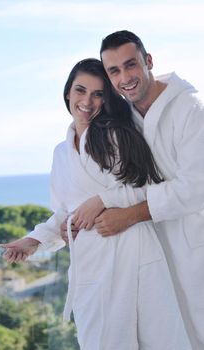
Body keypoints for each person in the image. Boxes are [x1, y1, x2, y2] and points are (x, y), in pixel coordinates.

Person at [1, 58, 191, 349]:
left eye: (98, 93)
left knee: (157, 338)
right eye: (80, 90)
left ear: (107, 99)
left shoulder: (116, 137)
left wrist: (102, 200)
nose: (87, 101)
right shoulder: (61, 153)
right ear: (68, 93)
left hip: (133, 252)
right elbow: (66, 211)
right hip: (90, 263)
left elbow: (147, 187)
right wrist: (33, 240)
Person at [86, 30, 204, 349]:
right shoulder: (126, 118)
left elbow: (195, 188)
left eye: (131, 65)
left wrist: (131, 216)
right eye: (114, 71)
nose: (125, 77)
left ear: (147, 61)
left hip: (196, 245)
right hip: (153, 253)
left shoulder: (190, 109)